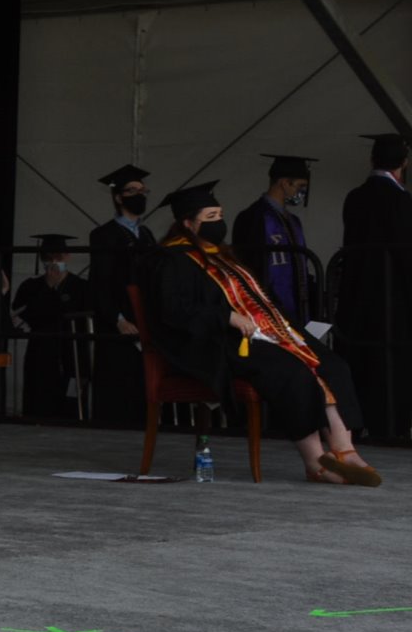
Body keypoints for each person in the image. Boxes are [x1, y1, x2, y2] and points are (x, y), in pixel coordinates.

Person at [142, 182, 380, 485]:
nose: (219, 222)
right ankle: (315, 462)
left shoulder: (224, 256)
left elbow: (260, 298)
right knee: (293, 372)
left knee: (332, 365)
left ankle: (345, 451)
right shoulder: (171, 260)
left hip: (263, 334)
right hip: (216, 341)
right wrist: (226, 316)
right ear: (188, 223)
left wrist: (284, 325)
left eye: (220, 214)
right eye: (210, 216)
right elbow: (173, 310)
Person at [335, 133, 412, 442]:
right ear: (404, 163)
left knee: (361, 359)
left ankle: (358, 422)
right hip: (394, 296)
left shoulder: (355, 196)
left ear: (372, 159)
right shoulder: (402, 200)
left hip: (358, 292)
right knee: (393, 363)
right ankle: (391, 426)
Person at [88, 164, 154, 425]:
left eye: (142, 190)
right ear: (118, 197)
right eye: (132, 190)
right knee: (118, 377)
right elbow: (100, 282)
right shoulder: (104, 235)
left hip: (143, 316)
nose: (139, 194)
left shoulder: (146, 234)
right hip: (119, 319)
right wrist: (117, 318)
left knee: (141, 379)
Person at [233, 154, 316, 322]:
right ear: (284, 183)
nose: (302, 192)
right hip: (265, 309)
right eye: (300, 186)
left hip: (296, 308)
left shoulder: (293, 221)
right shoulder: (253, 217)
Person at [11, 234, 87, 418]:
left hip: (71, 352)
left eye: (58, 257)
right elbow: (22, 315)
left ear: (67, 257)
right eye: (48, 258)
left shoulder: (80, 286)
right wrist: (49, 287)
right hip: (41, 353)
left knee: (69, 407)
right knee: (39, 405)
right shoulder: (31, 286)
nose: (53, 262)